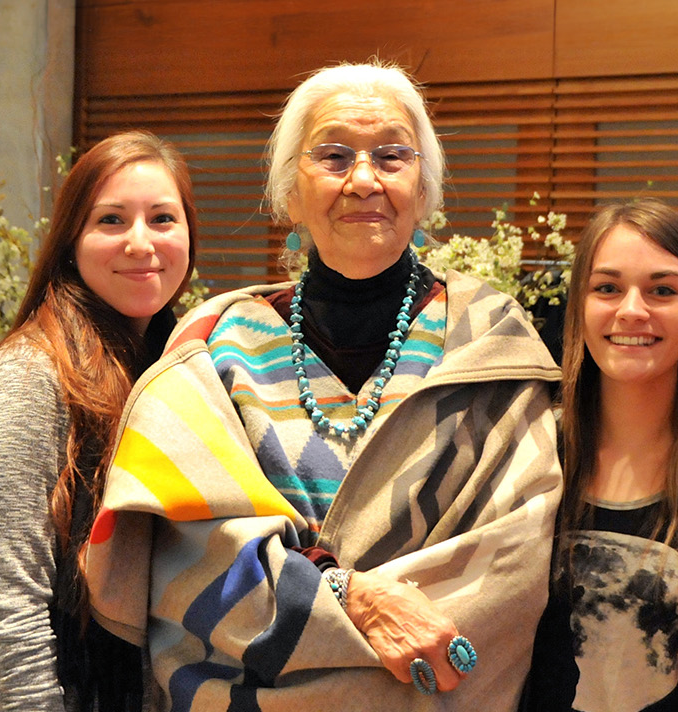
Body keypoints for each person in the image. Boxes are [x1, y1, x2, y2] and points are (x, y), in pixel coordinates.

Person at [83, 61, 563, 710]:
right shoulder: (213, 346)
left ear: (425, 190)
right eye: (334, 156)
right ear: (288, 195)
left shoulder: (492, 344)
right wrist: (350, 600)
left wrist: (305, 615)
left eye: (392, 156)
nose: (364, 179)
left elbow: (511, 568)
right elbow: (183, 557)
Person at [0, 130, 197, 711]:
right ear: (71, 241)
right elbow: (7, 615)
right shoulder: (31, 374)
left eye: (163, 218)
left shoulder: (187, 365)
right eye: (111, 220)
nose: (141, 243)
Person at [524, 199, 678, 712]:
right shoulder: (530, 455)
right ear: (580, 307)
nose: (632, 309)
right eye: (607, 288)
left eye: (662, 290)